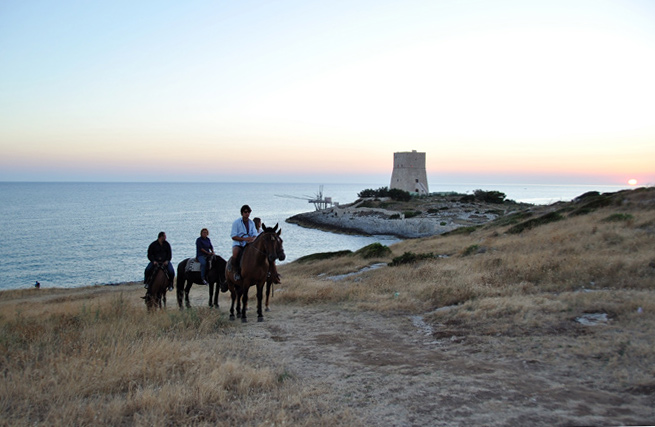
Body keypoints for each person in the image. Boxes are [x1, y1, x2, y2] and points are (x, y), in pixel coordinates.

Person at [230, 204, 258, 281]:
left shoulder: (251, 223)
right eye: (246, 212)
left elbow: (255, 234)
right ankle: (235, 272)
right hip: (238, 244)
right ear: (242, 213)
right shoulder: (236, 222)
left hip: (249, 244)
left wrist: (252, 239)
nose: (247, 213)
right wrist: (244, 239)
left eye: (249, 212)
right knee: (235, 254)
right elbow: (233, 236)